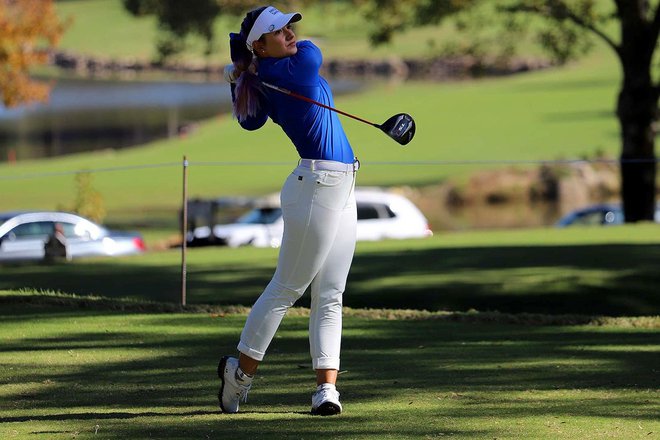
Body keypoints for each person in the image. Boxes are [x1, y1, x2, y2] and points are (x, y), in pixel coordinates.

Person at [218, 5, 359, 416]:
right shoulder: (293, 68)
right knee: (287, 289)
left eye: (289, 27)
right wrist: (249, 65)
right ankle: (238, 376)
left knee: (331, 293)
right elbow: (313, 51)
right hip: (315, 188)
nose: (291, 34)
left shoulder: (268, 75)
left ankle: (326, 390)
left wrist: (245, 67)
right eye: (278, 31)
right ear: (260, 44)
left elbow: (250, 121)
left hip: (341, 183)